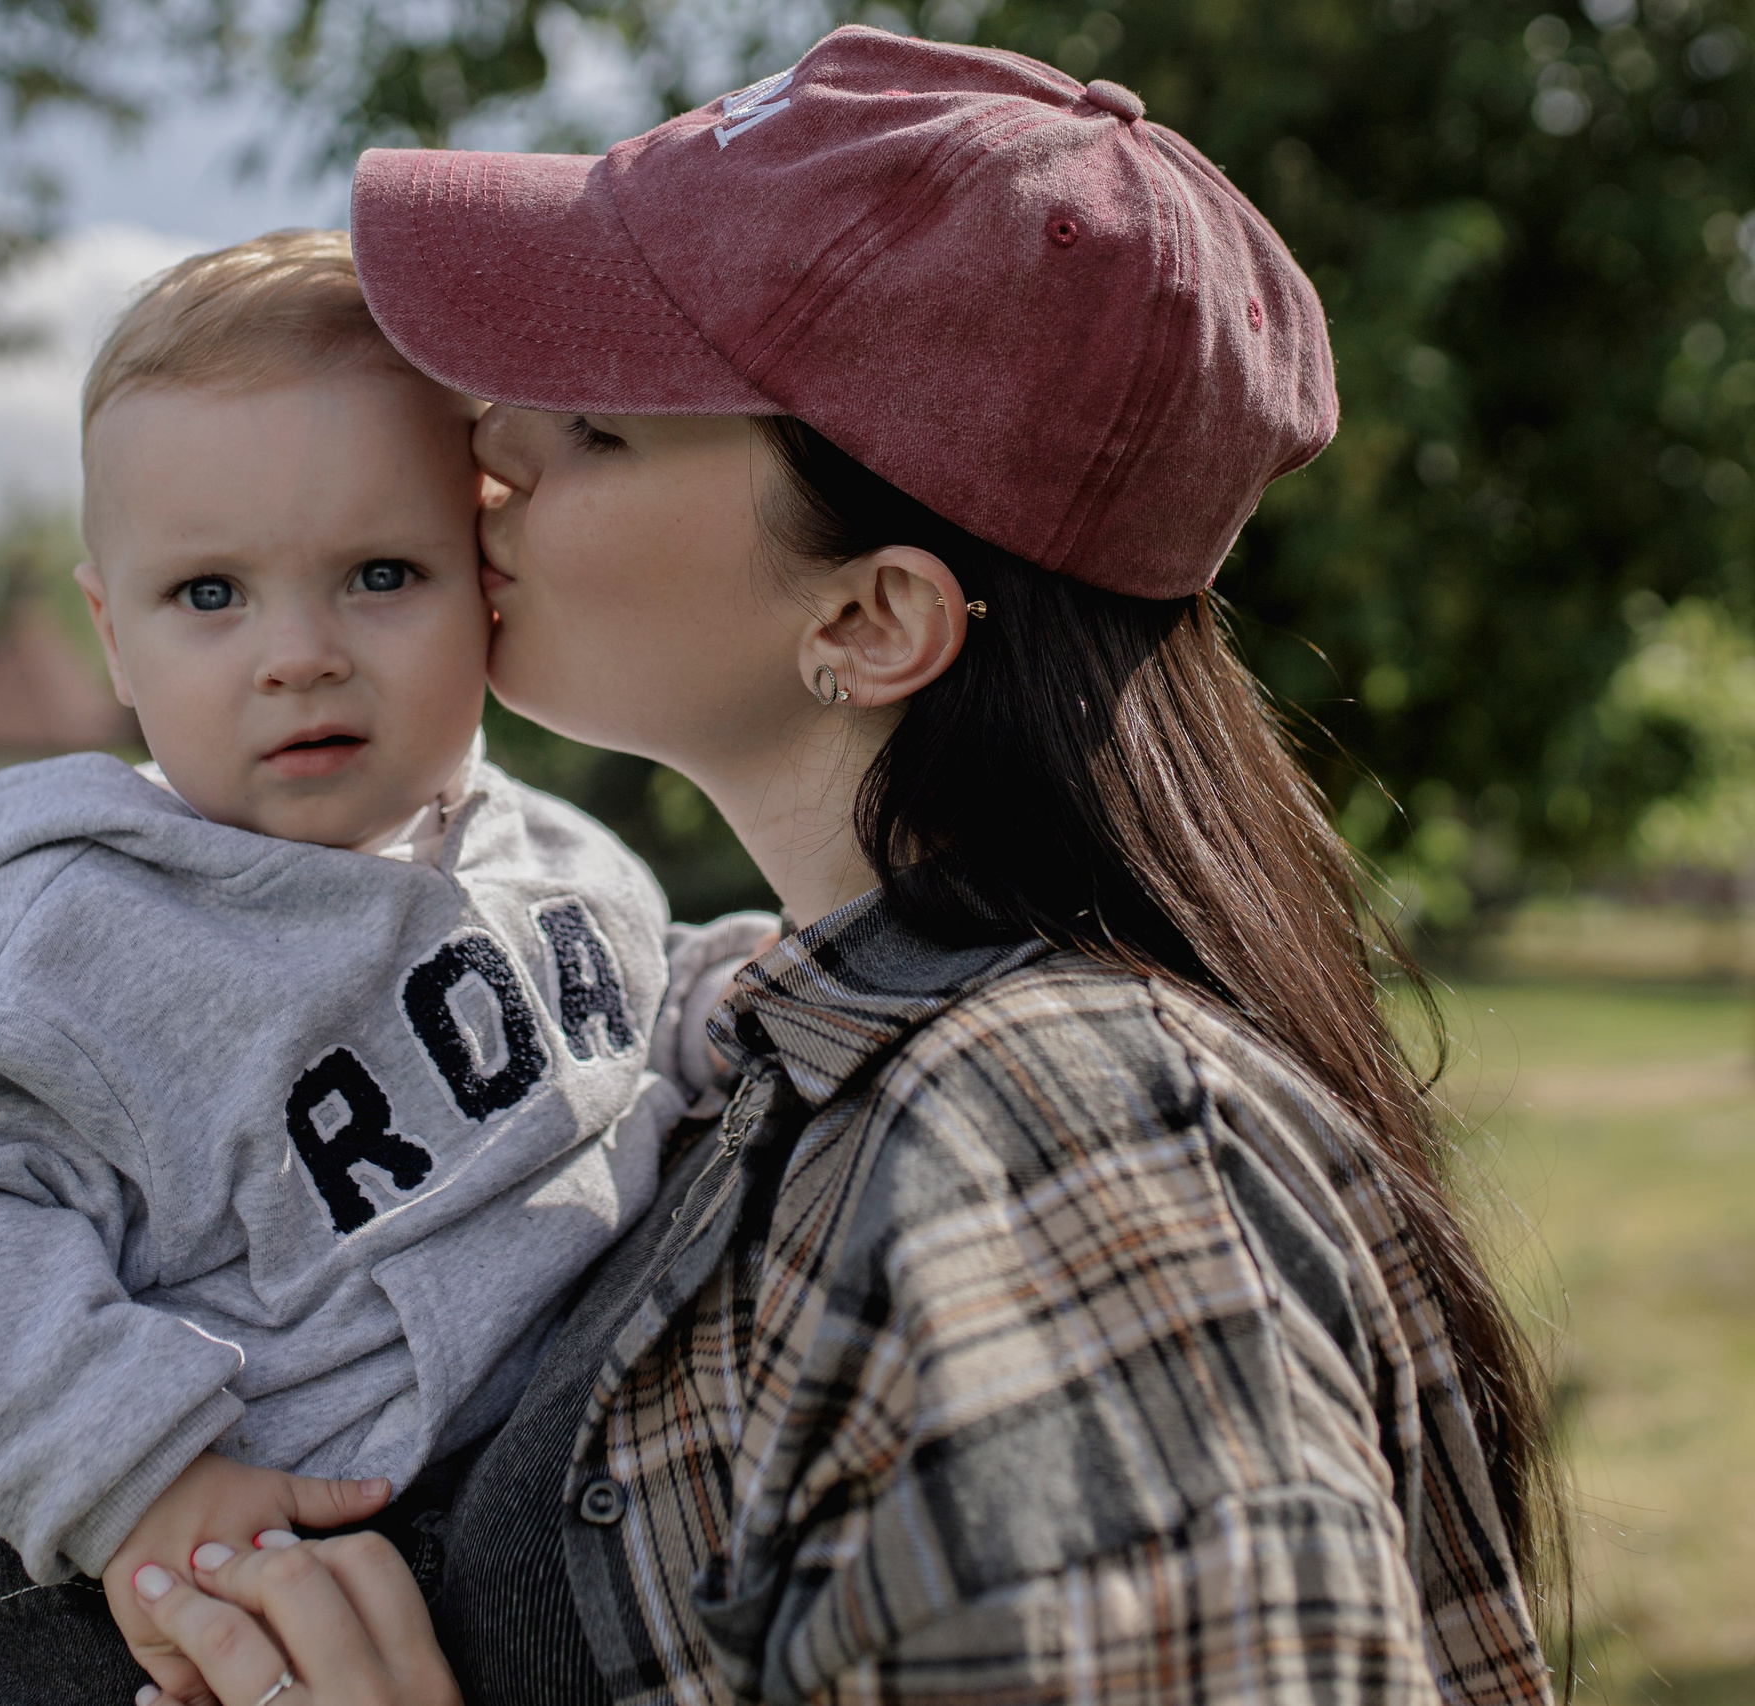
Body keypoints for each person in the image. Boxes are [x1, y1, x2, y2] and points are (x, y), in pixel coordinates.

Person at [112, 29, 1564, 1706]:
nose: (483, 449)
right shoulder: (776, 1057)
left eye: (593, 425)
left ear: (869, 620)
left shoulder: (1060, 1143)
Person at [0, 232, 772, 1705]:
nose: (299, 652)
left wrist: (718, 1001)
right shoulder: (79, 922)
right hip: (204, 1554)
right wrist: (141, 1469)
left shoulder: (553, 854)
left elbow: (623, 1023)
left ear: (485, 574)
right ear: (111, 635)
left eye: (381, 573)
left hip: (505, 1489)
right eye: (209, 595)